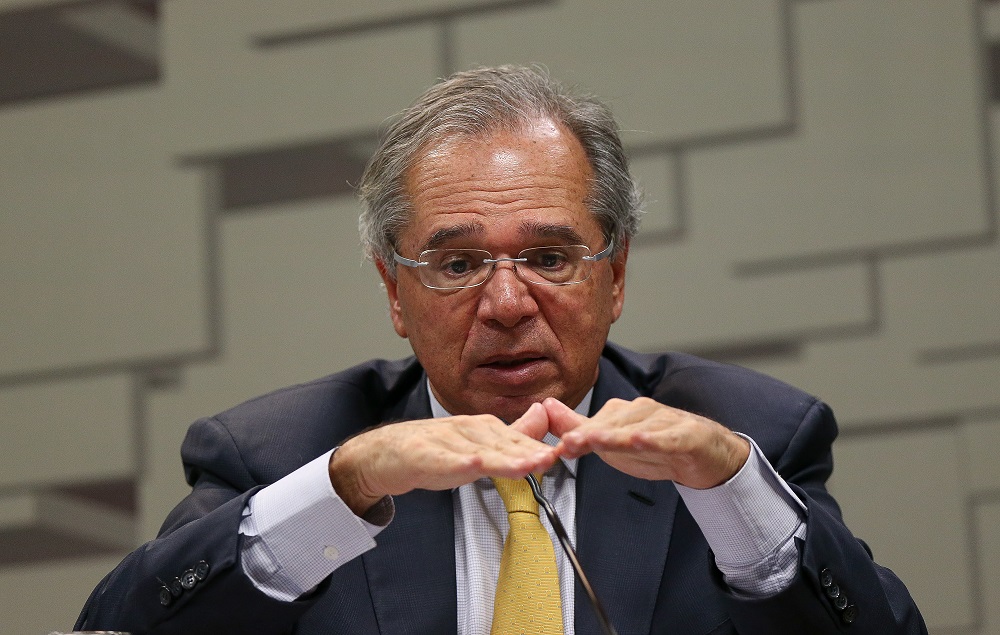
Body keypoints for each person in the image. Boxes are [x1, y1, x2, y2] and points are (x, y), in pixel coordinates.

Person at [76, 65, 927, 634]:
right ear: (393, 289)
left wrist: (737, 491)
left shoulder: (745, 436)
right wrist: (343, 488)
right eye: (457, 264)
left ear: (615, 274)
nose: (508, 304)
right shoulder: (281, 452)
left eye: (550, 257)